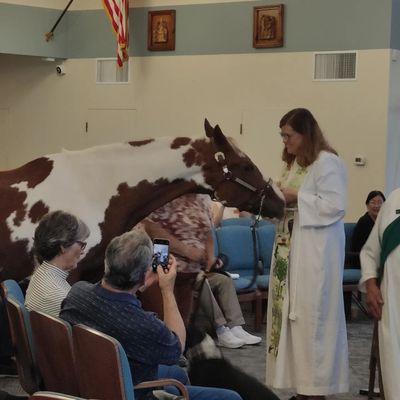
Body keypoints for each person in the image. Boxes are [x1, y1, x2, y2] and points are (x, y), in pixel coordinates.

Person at [60, 230, 242, 400]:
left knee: (177, 374)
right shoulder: (142, 324)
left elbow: (114, 295)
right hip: (130, 389)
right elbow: (176, 348)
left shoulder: (77, 292)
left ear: (108, 263)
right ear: (146, 272)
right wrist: (167, 290)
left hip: (89, 380)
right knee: (232, 397)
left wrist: (141, 283)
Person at [265, 108, 349, 400]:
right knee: (291, 320)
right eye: (282, 135)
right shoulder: (294, 165)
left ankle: (315, 390)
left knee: (313, 321)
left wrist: (294, 196)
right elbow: (289, 204)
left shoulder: (328, 162)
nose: (284, 141)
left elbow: (335, 205)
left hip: (316, 257)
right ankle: (302, 388)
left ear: (305, 134)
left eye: (288, 135)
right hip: (291, 250)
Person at [141, 194, 261, 349]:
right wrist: (188, 251)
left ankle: (180, 354)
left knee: (181, 323)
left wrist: (210, 255)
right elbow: (153, 230)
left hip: (191, 273)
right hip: (163, 269)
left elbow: (208, 229)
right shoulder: (165, 194)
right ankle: (167, 360)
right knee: (164, 321)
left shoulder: (203, 197)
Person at [359, 188, 400, 400]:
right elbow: (369, 252)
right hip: (390, 302)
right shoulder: (394, 200)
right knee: (393, 366)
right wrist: (371, 285)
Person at [25, 210, 90, 317]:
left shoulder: (40, 273)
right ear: (63, 246)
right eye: (82, 244)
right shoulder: (61, 297)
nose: (83, 251)